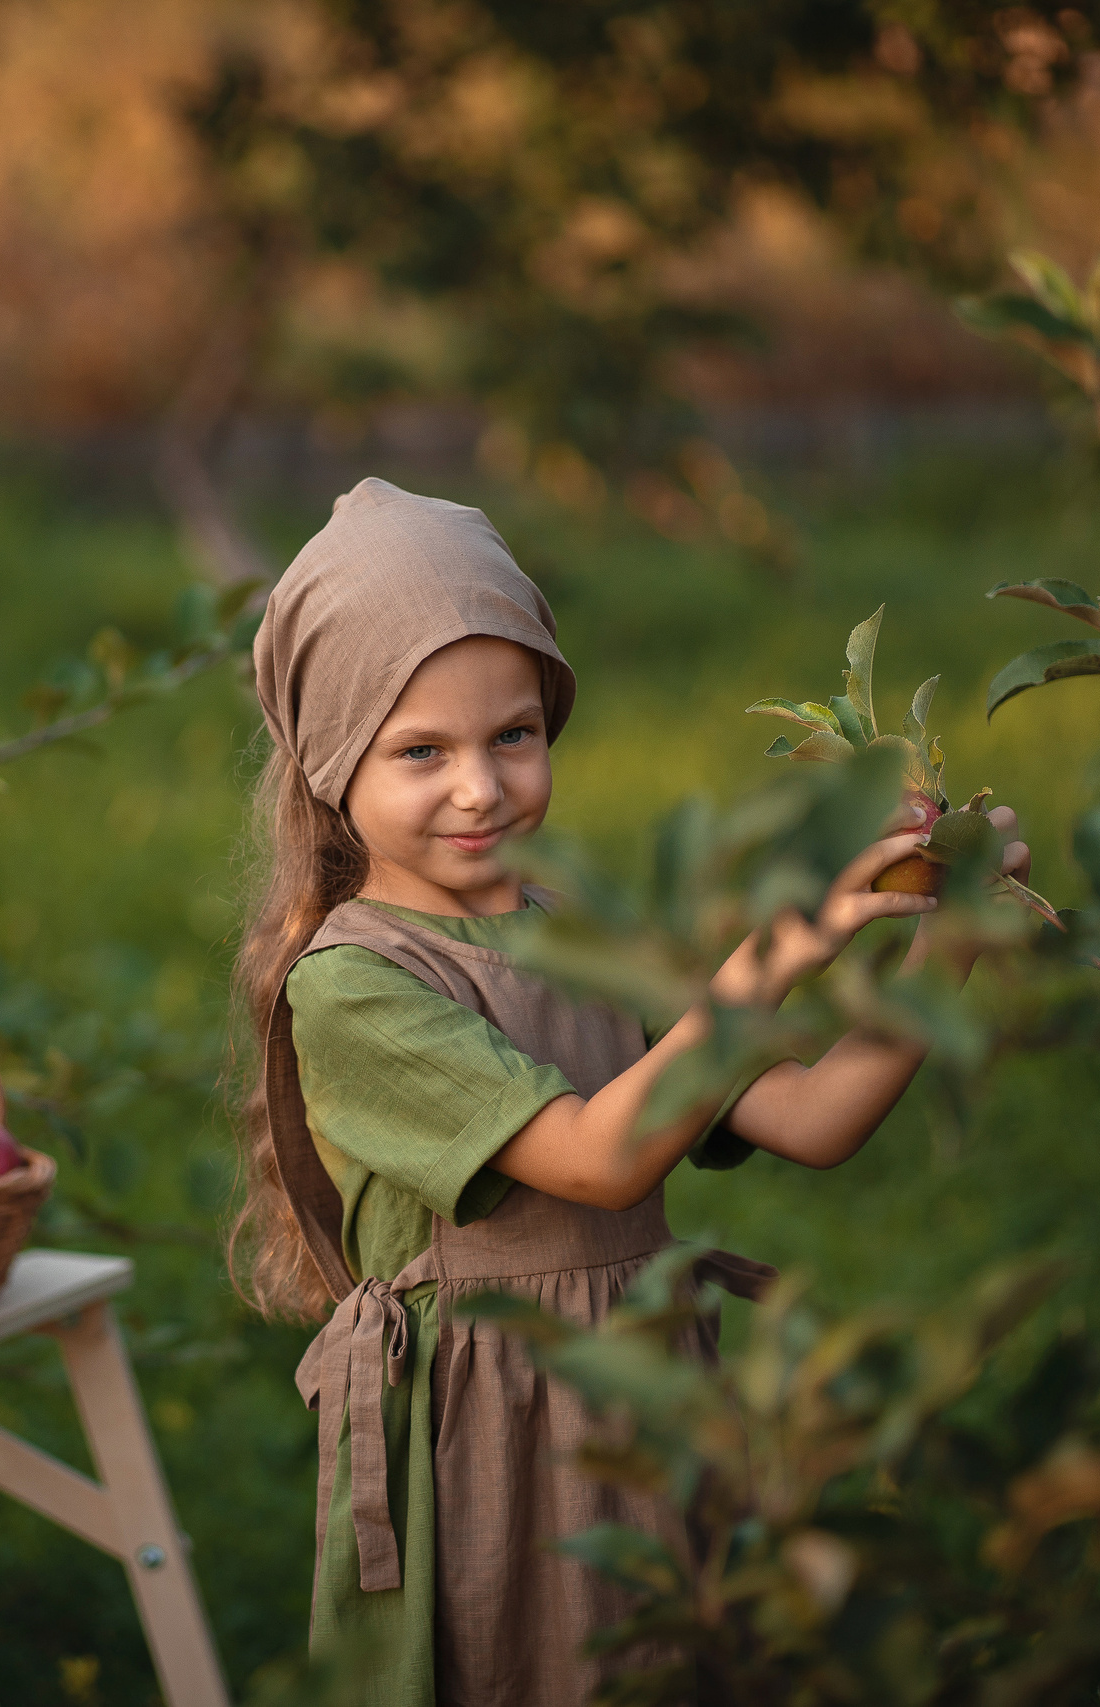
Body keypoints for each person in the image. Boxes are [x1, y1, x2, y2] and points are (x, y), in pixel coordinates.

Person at [230, 477, 1030, 1706]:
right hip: (499, 1433)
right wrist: (766, 963)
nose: (480, 788)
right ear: (334, 764)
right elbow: (601, 1159)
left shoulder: (585, 934)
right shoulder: (350, 987)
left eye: (513, 734)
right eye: (419, 752)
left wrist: (945, 949)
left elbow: (813, 1121)